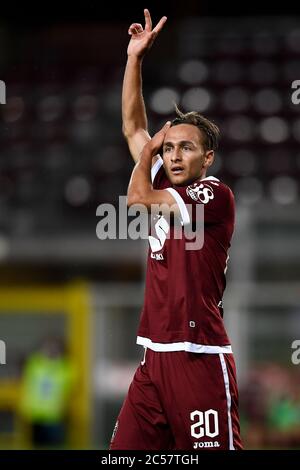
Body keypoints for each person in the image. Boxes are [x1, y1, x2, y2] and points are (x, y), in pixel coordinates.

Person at [110, 9, 243, 450]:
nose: (174, 155)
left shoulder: (213, 195)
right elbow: (132, 125)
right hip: (153, 360)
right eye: (169, 148)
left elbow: (137, 200)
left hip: (198, 357)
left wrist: (147, 153)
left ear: (207, 158)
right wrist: (135, 60)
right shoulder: (163, 178)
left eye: (186, 147)